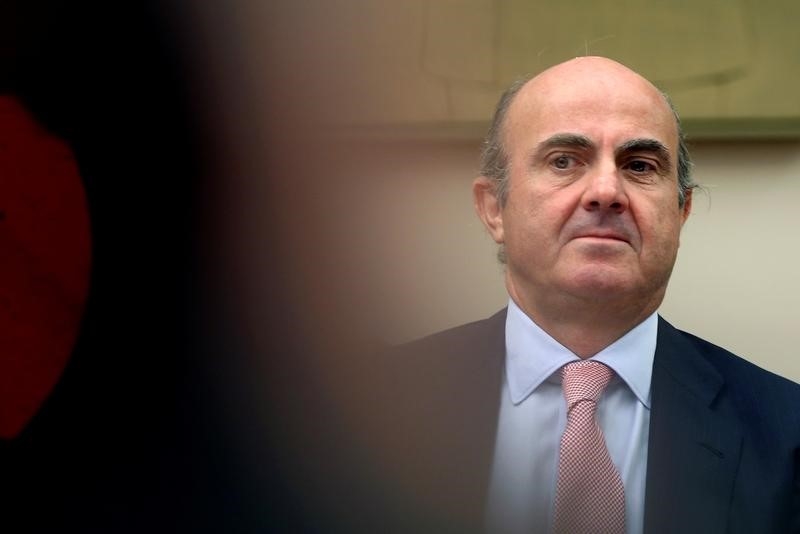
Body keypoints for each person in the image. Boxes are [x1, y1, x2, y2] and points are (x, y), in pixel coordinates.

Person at [341, 57, 800, 534]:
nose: (606, 191)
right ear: (494, 208)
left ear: (680, 213)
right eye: (563, 161)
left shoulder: (787, 433)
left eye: (639, 166)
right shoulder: (356, 418)